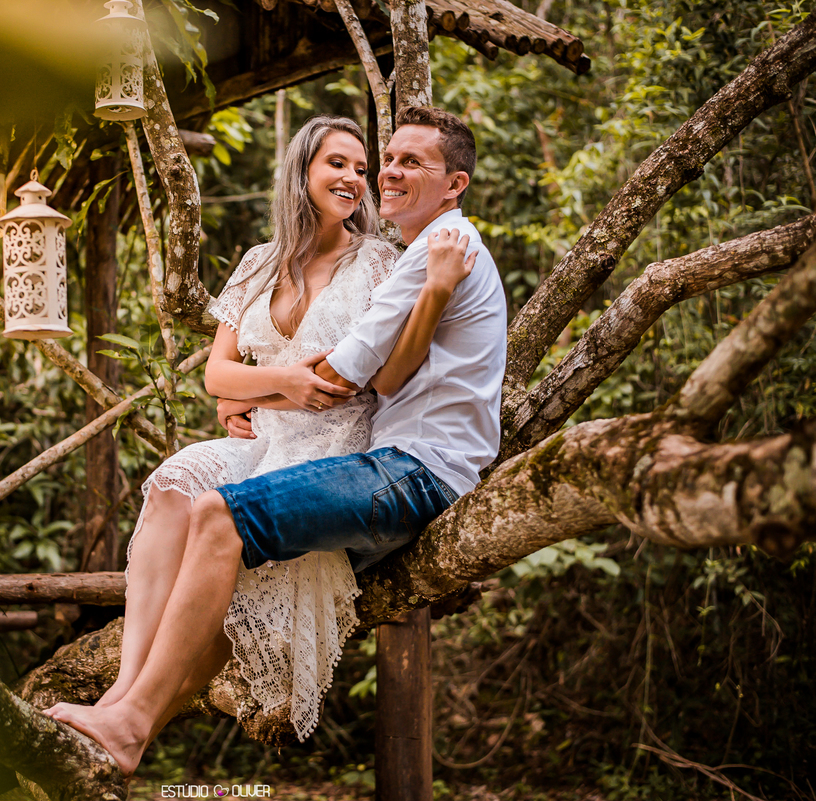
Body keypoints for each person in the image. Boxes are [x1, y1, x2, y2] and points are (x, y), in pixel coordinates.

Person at [47, 106, 502, 777]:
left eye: (408, 163)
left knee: (220, 514)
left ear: (454, 182)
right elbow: (393, 370)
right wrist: (262, 389)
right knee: (182, 488)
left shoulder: (416, 255)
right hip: (397, 460)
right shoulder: (423, 253)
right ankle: (125, 712)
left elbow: (352, 376)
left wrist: (250, 390)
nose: (385, 173)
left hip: (406, 467)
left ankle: (130, 719)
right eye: (391, 159)